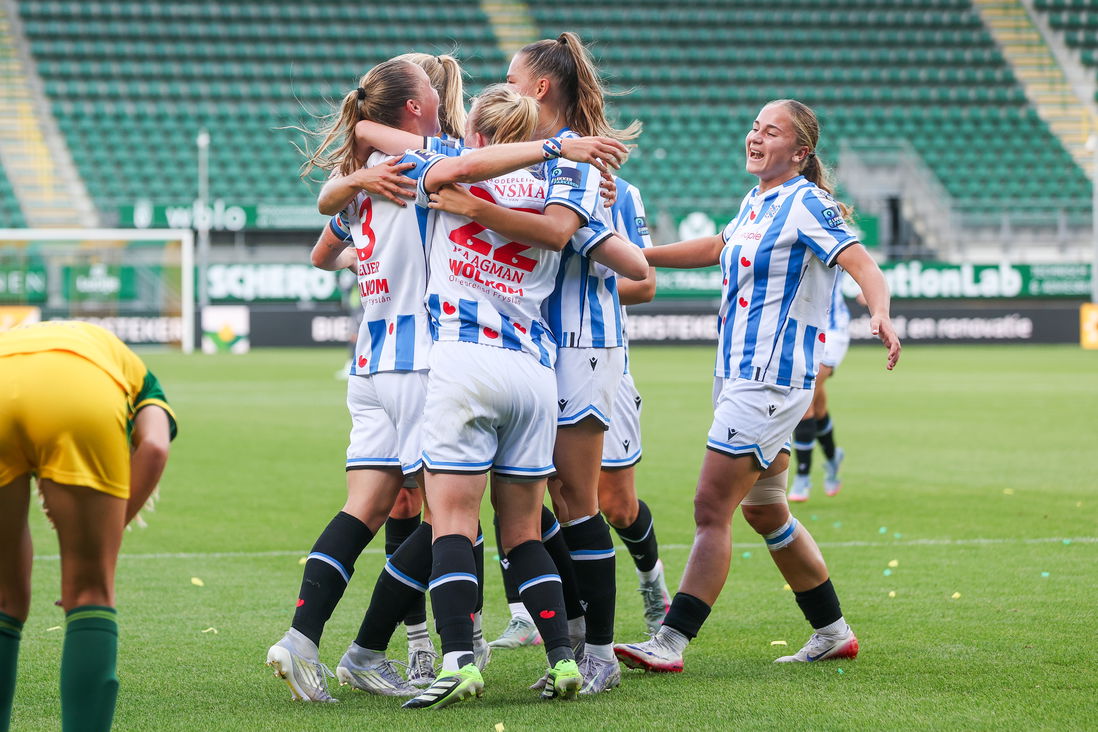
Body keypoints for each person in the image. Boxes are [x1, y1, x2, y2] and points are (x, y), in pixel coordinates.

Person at [314, 84, 639, 710]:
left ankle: (459, 660)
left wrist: (473, 191)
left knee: (454, 522)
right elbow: (636, 266)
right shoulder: (558, 189)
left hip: (463, 364)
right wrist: (570, 180)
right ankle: (564, 659)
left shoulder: (447, 171)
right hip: (535, 373)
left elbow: (361, 141)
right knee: (524, 530)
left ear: (477, 136)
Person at [613, 99, 900, 674]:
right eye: (753, 127)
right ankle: (833, 632)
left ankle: (670, 640)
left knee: (710, 507)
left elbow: (863, 264)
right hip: (739, 375)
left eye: (770, 131)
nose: (755, 136)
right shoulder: (757, 201)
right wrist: (633, 255)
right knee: (766, 511)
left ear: (800, 151)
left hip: (769, 380)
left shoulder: (808, 203)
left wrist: (880, 312)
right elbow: (716, 248)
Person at [475, 30, 642, 694]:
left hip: (581, 340)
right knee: (528, 495)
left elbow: (626, 264)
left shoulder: (575, 164)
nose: (503, 86)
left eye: (511, 77)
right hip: (534, 344)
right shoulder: (529, 155)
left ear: (540, 87)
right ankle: (569, 635)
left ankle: (598, 653)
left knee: (576, 499)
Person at [0, 320, 176, 732]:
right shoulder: (137, 374)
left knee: (4, 599)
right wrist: (106, 538)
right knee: (89, 593)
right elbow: (154, 445)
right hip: (80, 394)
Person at [789, 273, 852, 502]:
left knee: (804, 396)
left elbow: (863, 269)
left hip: (832, 332)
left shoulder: (836, 250)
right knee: (817, 404)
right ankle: (833, 457)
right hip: (803, 329)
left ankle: (802, 475)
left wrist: (871, 297)